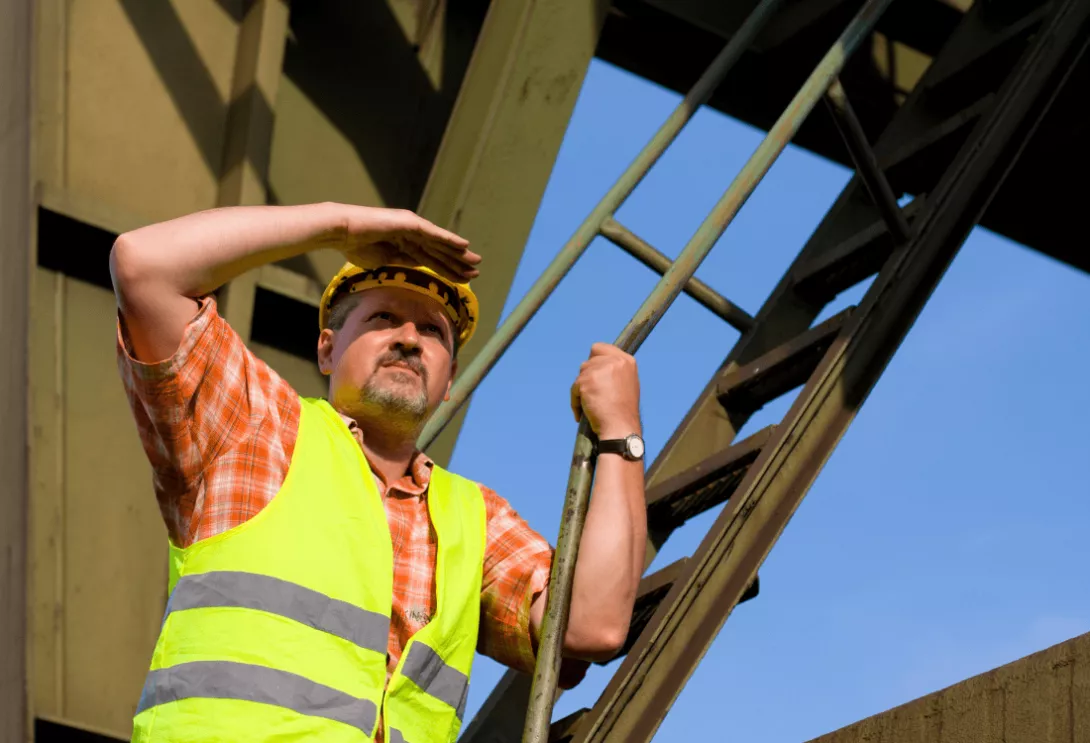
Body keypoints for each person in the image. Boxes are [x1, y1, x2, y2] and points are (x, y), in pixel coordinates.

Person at [109, 203, 647, 743]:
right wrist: (341, 227)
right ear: (326, 348)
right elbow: (143, 265)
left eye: (433, 331)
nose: (410, 338)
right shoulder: (253, 428)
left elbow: (592, 624)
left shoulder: (474, 521)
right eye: (382, 318)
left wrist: (621, 432)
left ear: (451, 379)